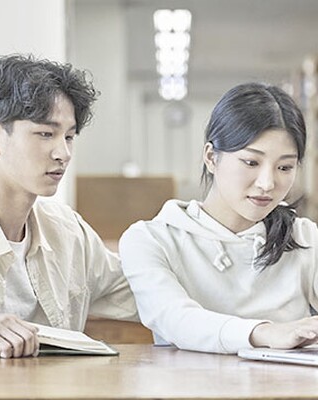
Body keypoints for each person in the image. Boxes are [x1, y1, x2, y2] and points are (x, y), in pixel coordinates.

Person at [0, 54, 137, 358]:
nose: (63, 153)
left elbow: (144, 294)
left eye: (69, 137)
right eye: (46, 134)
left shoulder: (69, 232)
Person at [119, 82, 318, 354]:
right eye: (251, 162)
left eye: (284, 167)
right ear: (212, 157)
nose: (267, 183)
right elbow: (177, 320)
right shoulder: (151, 239)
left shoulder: (304, 237)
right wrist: (265, 332)